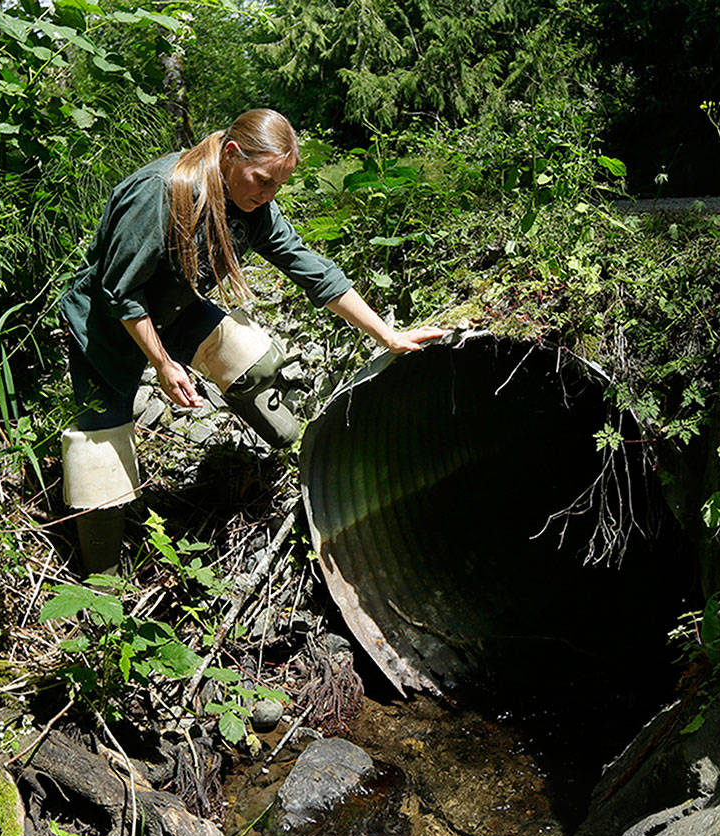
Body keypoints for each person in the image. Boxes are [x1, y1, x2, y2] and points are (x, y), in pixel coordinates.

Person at [59, 108, 446, 574]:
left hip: (174, 307)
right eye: (262, 180)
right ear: (231, 153)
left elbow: (311, 269)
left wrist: (387, 335)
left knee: (255, 361)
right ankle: (101, 579)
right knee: (100, 454)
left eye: (278, 185)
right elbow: (121, 292)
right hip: (106, 322)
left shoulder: (254, 208)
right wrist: (162, 364)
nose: (267, 195)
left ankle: (285, 454)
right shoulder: (160, 192)